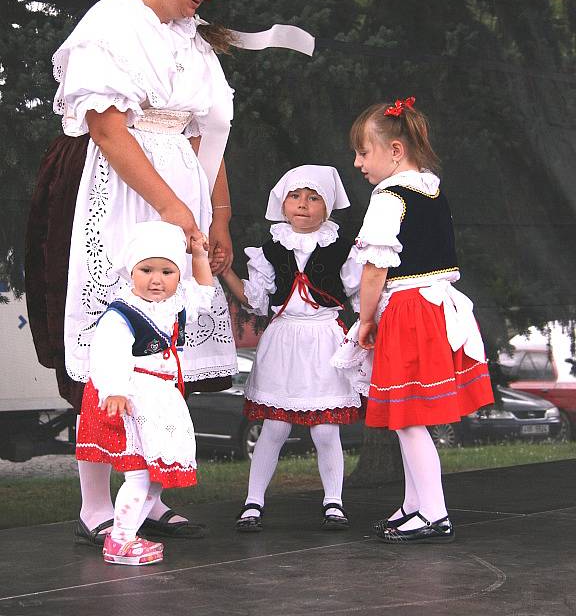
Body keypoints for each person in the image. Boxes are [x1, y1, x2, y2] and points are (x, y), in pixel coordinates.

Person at [25, 0, 244, 545]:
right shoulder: (110, 26)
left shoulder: (193, 40)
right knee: (110, 348)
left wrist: (215, 215)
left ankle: (138, 496)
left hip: (177, 197)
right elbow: (107, 129)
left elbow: (208, 135)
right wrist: (175, 207)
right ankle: (96, 506)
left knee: (159, 358)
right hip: (115, 190)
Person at [350, 97, 494, 544]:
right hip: (433, 308)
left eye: (363, 152)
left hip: (410, 310)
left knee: (409, 417)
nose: (357, 163)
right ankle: (414, 504)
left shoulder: (389, 198)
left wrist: (365, 320)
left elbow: (374, 270)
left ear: (395, 150)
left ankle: (434, 512)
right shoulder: (433, 190)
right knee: (407, 416)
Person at [221, 165, 364, 532]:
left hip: (324, 340)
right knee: (275, 426)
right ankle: (253, 502)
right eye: (296, 196)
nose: (303, 204)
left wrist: (367, 327)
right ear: (282, 203)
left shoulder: (343, 248)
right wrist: (225, 272)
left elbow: (360, 293)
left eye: (313, 197)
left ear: (327, 207)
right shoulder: (271, 249)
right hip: (284, 340)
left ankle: (334, 501)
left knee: (325, 430)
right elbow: (255, 299)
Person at [76, 220, 214, 565]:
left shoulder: (174, 306)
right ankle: (119, 540)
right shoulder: (122, 314)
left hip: (160, 399)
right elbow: (108, 353)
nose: (157, 279)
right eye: (147, 269)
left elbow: (204, 292)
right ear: (131, 272)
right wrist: (115, 391)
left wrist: (198, 255)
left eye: (167, 271)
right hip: (132, 399)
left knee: (154, 475)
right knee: (139, 472)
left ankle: (128, 534)